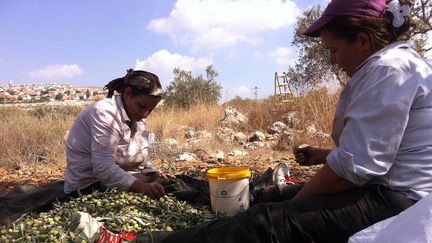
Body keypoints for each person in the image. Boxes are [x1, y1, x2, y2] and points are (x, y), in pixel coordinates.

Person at [72, 0, 432, 242]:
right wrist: (324, 157)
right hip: (383, 187)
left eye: (334, 51)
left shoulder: (390, 71)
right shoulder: (391, 66)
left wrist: (294, 207)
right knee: (268, 198)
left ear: (364, 41)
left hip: (396, 200)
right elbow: (382, 150)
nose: (334, 60)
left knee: (266, 220)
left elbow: (356, 168)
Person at [64, 69, 166, 199]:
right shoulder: (105, 113)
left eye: (150, 110)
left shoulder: (138, 119)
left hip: (120, 178)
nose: (145, 114)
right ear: (128, 94)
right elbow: (103, 168)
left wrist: (154, 173)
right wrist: (142, 187)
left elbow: (140, 155)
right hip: (88, 187)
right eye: (142, 106)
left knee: (167, 186)